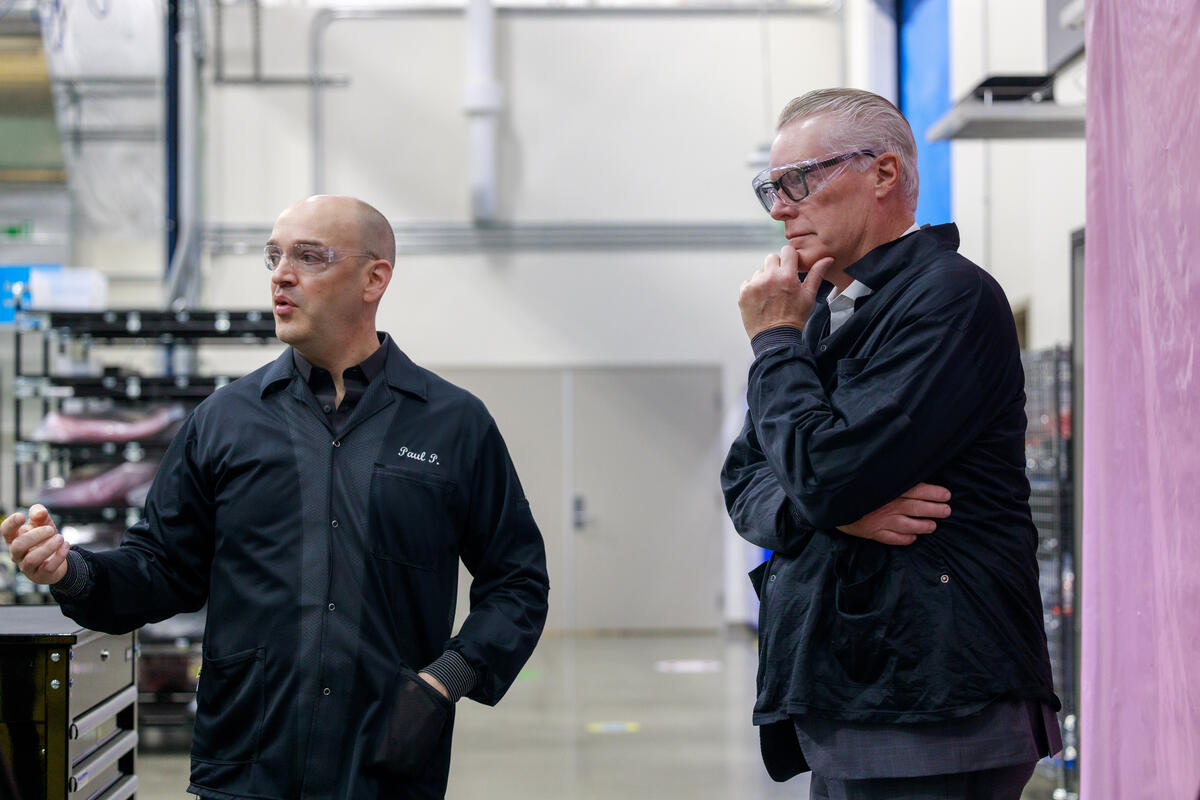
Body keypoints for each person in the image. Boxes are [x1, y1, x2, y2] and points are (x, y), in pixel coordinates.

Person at [2, 194, 550, 800]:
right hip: (247, 765)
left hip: (385, 767)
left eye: (309, 257)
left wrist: (445, 680)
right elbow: (161, 568)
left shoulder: (453, 425)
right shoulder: (225, 421)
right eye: (274, 257)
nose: (281, 276)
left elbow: (517, 582)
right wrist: (71, 572)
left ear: (374, 279)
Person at [721, 88, 1061, 799]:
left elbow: (822, 474)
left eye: (799, 180)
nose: (780, 208)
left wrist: (775, 343)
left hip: (935, 703)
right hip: (858, 695)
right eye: (770, 188)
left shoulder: (948, 298)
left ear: (883, 173)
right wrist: (834, 513)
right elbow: (747, 479)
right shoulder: (823, 316)